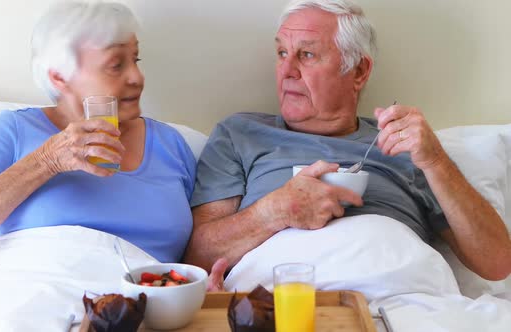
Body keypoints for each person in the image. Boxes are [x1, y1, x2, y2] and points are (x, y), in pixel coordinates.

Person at [185, 0, 511, 281]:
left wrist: (436, 162)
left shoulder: (404, 147)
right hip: (283, 300)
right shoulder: (240, 133)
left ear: (358, 72)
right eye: (282, 52)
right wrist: (273, 212)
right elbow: (197, 256)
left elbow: (497, 264)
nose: (286, 70)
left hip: (401, 293)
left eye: (307, 55)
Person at [0, 2, 230, 284]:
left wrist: (198, 289)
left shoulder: (170, 143)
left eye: (135, 60)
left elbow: (193, 259)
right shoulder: (15, 130)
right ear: (60, 77)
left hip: (143, 308)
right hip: (38, 298)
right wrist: (47, 160)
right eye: (116, 65)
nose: (136, 77)